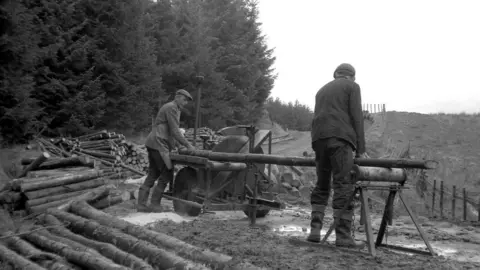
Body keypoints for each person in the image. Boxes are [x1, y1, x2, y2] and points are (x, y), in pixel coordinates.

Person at [307, 63, 369, 249]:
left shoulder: (321, 90)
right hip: (340, 139)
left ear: (336, 74)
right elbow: (357, 117)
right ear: (352, 76)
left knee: (322, 183)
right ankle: (343, 236)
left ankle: (315, 231)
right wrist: (361, 149)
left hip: (319, 138)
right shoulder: (352, 87)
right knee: (343, 184)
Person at [138, 89, 196, 212]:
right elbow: (174, 131)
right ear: (178, 97)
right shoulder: (172, 108)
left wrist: (178, 146)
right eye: (184, 99)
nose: (185, 103)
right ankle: (155, 204)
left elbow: (170, 131)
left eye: (187, 101)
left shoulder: (174, 108)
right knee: (166, 174)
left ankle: (141, 205)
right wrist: (188, 145)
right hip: (158, 143)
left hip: (154, 142)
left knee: (153, 174)